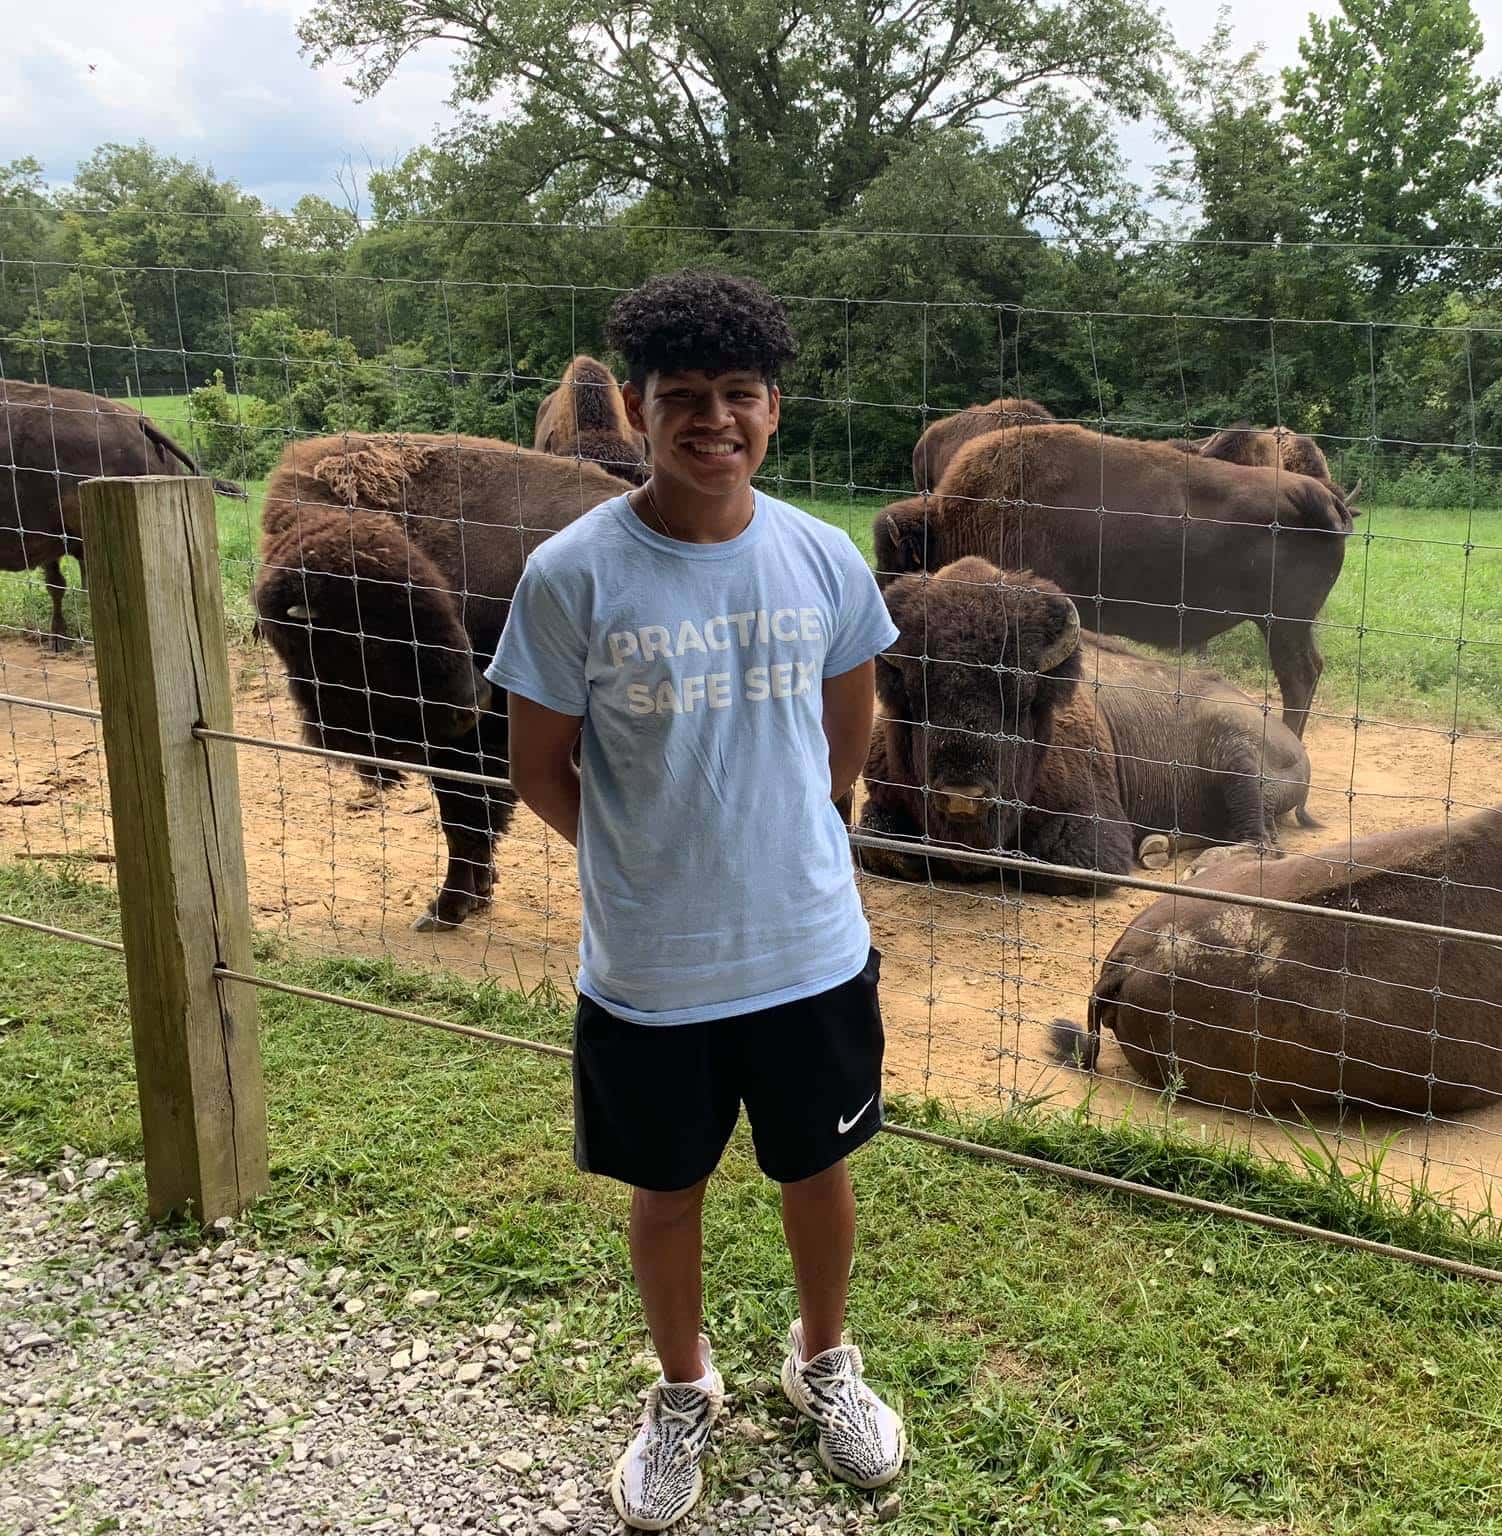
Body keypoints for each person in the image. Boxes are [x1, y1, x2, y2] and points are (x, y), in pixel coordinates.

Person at [485, 270, 907, 1530]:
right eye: (682, 397)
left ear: (773, 410)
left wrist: (797, 840)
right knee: (664, 1192)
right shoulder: (571, 576)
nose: (710, 420)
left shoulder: (821, 559)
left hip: (813, 952)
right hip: (652, 966)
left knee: (816, 1171)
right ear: (633, 405)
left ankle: (822, 1359)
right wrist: (646, 858)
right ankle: (682, 1392)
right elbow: (538, 769)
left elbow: (847, 734)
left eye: (738, 396)